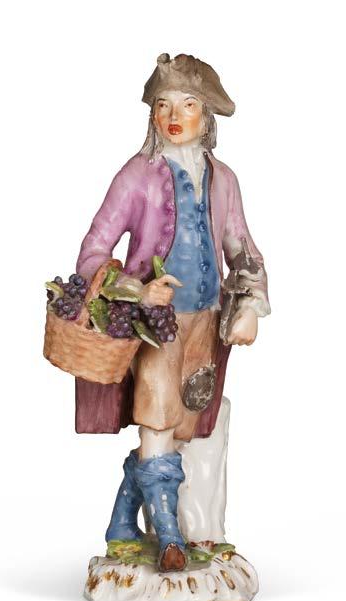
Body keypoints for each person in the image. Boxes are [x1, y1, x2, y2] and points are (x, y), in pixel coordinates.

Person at [75, 53, 270, 571]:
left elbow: (243, 251)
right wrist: (138, 293)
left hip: (205, 325)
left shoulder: (224, 181)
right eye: (163, 105)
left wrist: (250, 304)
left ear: (207, 115)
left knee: (182, 428)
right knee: (157, 423)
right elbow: (93, 253)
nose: (173, 115)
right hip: (156, 328)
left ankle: (123, 523)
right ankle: (169, 541)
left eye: (187, 104)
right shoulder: (136, 176)